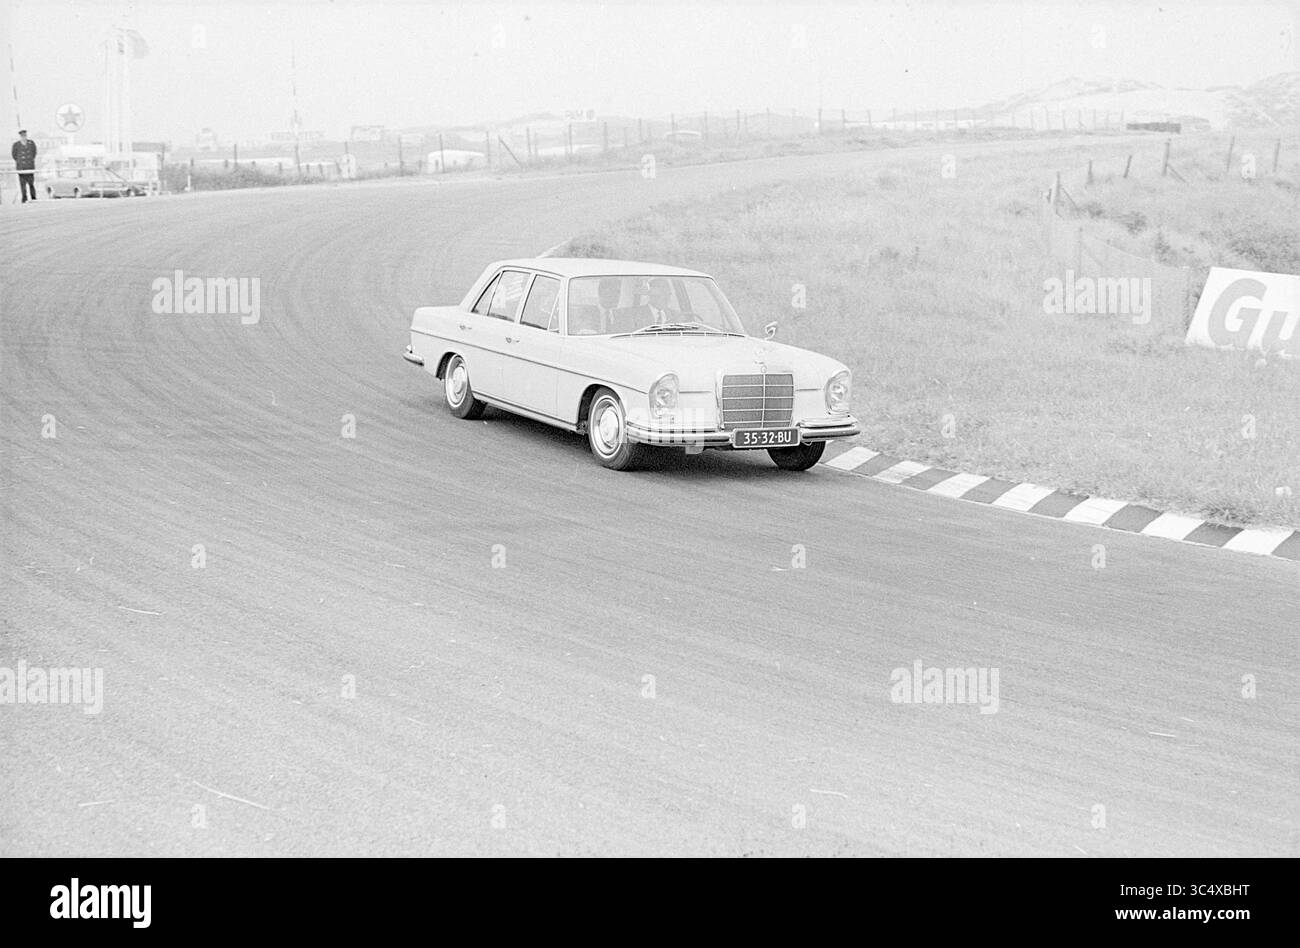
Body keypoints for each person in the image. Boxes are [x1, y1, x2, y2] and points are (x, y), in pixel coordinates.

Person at [12, 130, 37, 203]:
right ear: (20, 136)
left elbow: (34, 153)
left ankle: (33, 198)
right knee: (23, 185)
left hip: (29, 167)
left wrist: (30, 162)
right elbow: (14, 155)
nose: (23, 137)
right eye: (22, 136)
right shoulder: (16, 145)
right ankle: (24, 198)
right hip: (21, 168)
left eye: (24, 135)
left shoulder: (31, 143)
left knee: (31, 184)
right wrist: (20, 163)